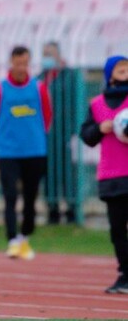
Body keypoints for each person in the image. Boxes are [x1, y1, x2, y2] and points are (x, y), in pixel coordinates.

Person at [0, 46, 52, 261]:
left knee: (31, 198)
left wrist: (35, 136)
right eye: (18, 63)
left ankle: (25, 236)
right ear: (11, 63)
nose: (21, 67)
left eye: (25, 63)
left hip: (34, 151)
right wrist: (1, 140)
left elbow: (47, 117)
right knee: (10, 196)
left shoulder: (39, 88)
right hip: (9, 152)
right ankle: (12, 239)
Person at [79, 55, 128, 294]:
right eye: (120, 69)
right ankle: (125, 274)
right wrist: (100, 128)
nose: (125, 72)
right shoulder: (97, 104)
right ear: (109, 75)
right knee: (117, 229)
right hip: (111, 176)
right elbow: (87, 136)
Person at [39, 41, 77, 224]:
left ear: (58, 55)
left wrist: (71, 130)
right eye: (45, 54)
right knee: (48, 173)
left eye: (50, 53)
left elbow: (75, 105)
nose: (47, 57)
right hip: (45, 135)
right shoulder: (40, 78)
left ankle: (71, 208)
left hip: (63, 132)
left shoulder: (69, 76)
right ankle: (52, 209)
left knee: (67, 173)